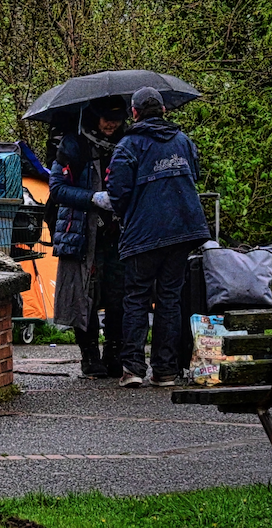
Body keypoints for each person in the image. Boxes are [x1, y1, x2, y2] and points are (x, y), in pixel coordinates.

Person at [103, 86, 210, 388]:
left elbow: (117, 193)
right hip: (183, 231)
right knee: (169, 299)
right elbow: (195, 175)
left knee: (136, 299)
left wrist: (128, 215)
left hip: (143, 235)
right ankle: (165, 370)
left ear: (134, 113)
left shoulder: (127, 146)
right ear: (164, 111)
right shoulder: (183, 141)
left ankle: (133, 369)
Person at [45, 100, 127, 378]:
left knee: (119, 293)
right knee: (84, 295)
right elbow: (57, 189)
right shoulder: (74, 145)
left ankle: (115, 353)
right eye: (106, 118)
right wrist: (92, 198)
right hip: (81, 232)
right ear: (95, 117)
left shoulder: (127, 144)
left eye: (117, 119)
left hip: (118, 233)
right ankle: (89, 355)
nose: (111, 124)